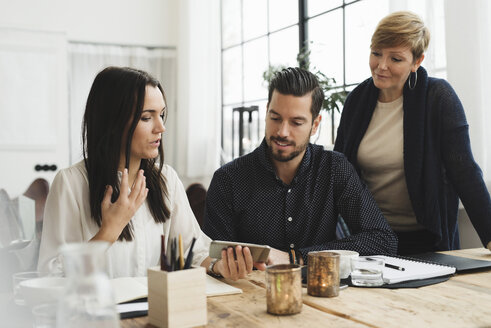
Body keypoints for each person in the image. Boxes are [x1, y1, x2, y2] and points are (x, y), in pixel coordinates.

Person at [38, 66, 264, 280]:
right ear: (112, 122)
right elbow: (52, 277)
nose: (160, 127)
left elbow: (192, 252)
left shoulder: (167, 180)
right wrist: (109, 231)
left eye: (161, 115)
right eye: (147, 117)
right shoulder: (70, 184)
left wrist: (219, 266)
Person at [203, 67, 397, 266]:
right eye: (275, 118)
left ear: (315, 125)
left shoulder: (334, 168)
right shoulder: (228, 179)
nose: (282, 132)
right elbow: (211, 259)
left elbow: (382, 240)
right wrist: (221, 267)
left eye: (296, 122)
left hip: (323, 292)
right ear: (266, 112)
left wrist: (297, 258)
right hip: (251, 293)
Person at [334, 11, 491, 254]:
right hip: (372, 239)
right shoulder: (357, 100)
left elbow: (465, 171)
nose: (381, 66)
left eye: (395, 59)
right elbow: (340, 173)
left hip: (428, 239)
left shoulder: (439, 97)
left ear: (417, 61)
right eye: (376, 53)